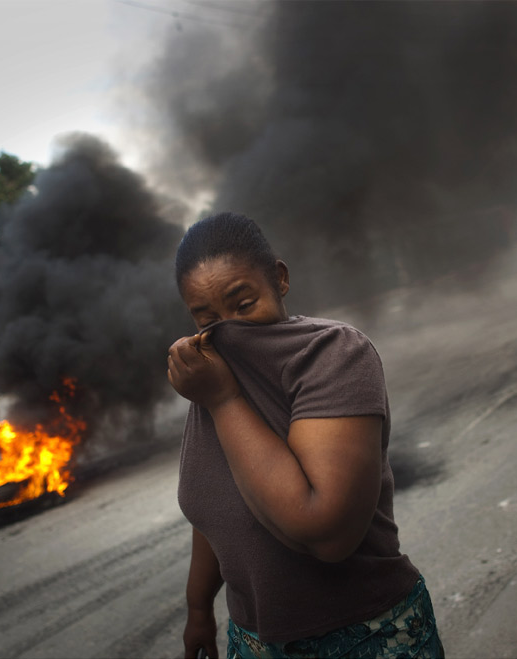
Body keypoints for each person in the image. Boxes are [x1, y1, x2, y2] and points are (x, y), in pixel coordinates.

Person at [167, 213, 443, 659]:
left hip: (365, 635)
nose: (228, 328)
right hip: (253, 642)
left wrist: (223, 401)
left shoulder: (332, 353)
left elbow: (325, 532)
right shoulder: (214, 367)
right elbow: (219, 506)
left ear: (279, 278)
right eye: (206, 316)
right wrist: (199, 609)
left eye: (244, 304)